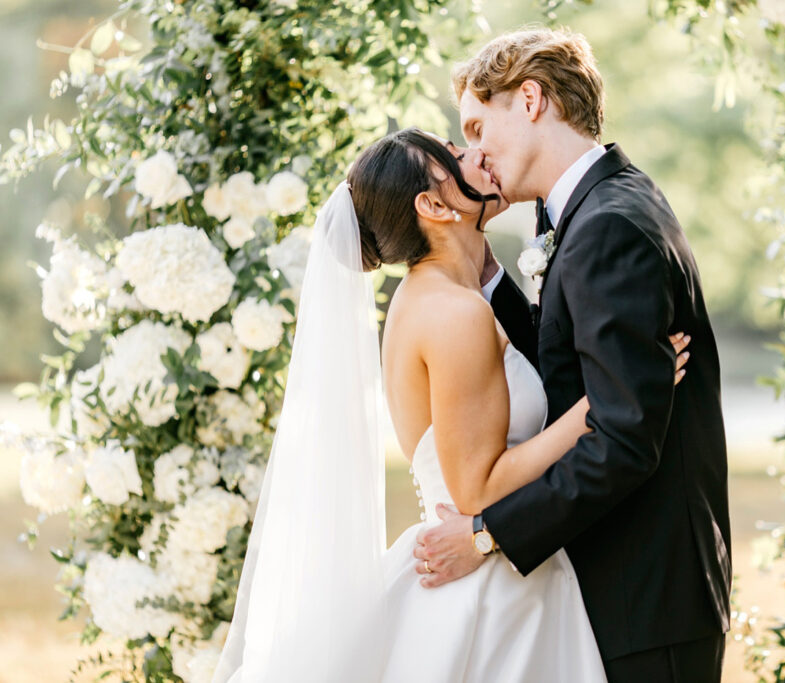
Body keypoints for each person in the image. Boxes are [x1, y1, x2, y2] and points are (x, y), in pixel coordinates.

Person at [211, 127, 691, 682]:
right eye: (453, 154)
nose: (475, 153)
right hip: (491, 595)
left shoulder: (438, 297)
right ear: (434, 204)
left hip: (497, 572)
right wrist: (596, 408)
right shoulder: (451, 314)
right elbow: (478, 489)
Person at [414, 29, 732, 682]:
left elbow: (622, 440)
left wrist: (485, 533)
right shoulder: (602, 205)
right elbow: (573, 361)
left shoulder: (606, 226)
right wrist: (488, 278)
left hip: (645, 605)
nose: (475, 154)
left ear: (529, 99)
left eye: (478, 127)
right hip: (630, 596)